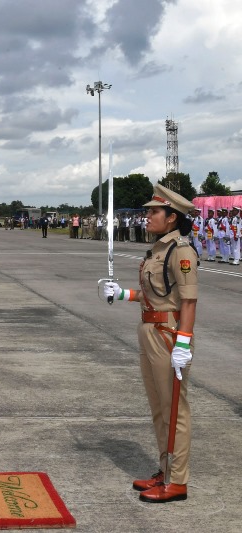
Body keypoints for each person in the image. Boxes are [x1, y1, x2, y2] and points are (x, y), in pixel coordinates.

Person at [103, 184, 198, 503]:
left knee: (174, 410)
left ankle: (178, 481)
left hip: (169, 334)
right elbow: (155, 295)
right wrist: (124, 294)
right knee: (159, 408)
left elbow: (188, 301)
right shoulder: (157, 250)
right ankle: (165, 470)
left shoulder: (180, 251)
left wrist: (183, 343)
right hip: (149, 329)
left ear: (171, 217)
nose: (147, 216)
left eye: (154, 211)